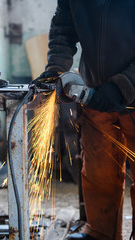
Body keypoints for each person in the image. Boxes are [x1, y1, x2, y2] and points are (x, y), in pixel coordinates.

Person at [33, 1, 135, 240]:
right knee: (99, 171)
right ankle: (100, 233)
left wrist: (123, 84)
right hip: (95, 94)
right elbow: (63, 28)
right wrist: (56, 68)